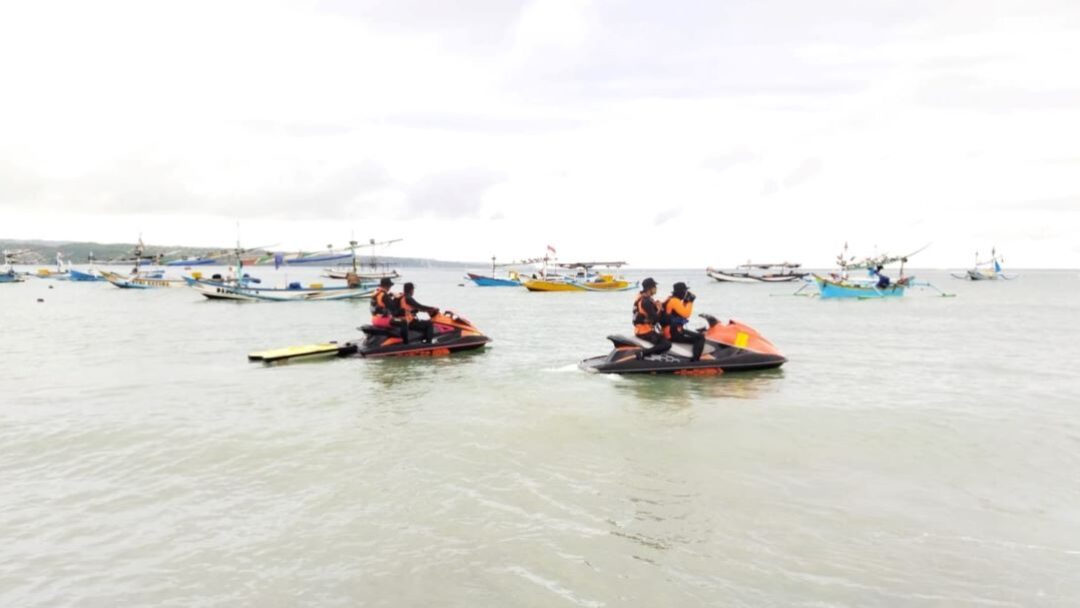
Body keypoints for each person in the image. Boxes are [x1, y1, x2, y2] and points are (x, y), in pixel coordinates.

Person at [662, 282, 706, 361]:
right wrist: (690, 302)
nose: (686, 293)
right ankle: (695, 360)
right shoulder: (675, 301)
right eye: (685, 291)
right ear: (681, 292)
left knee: (697, 335)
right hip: (673, 333)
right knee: (700, 338)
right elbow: (686, 314)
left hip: (670, 330)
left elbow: (680, 312)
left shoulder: (670, 299)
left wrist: (685, 302)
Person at [632, 277, 671, 360]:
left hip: (641, 329)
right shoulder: (646, 301)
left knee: (662, 337)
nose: (656, 289)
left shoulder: (642, 297)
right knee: (667, 344)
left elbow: (650, 311)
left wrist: (662, 303)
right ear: (649, 288)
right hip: (644, 331)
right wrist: (660, 309)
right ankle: (643, 353)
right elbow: (655, 319)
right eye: (654, 287)